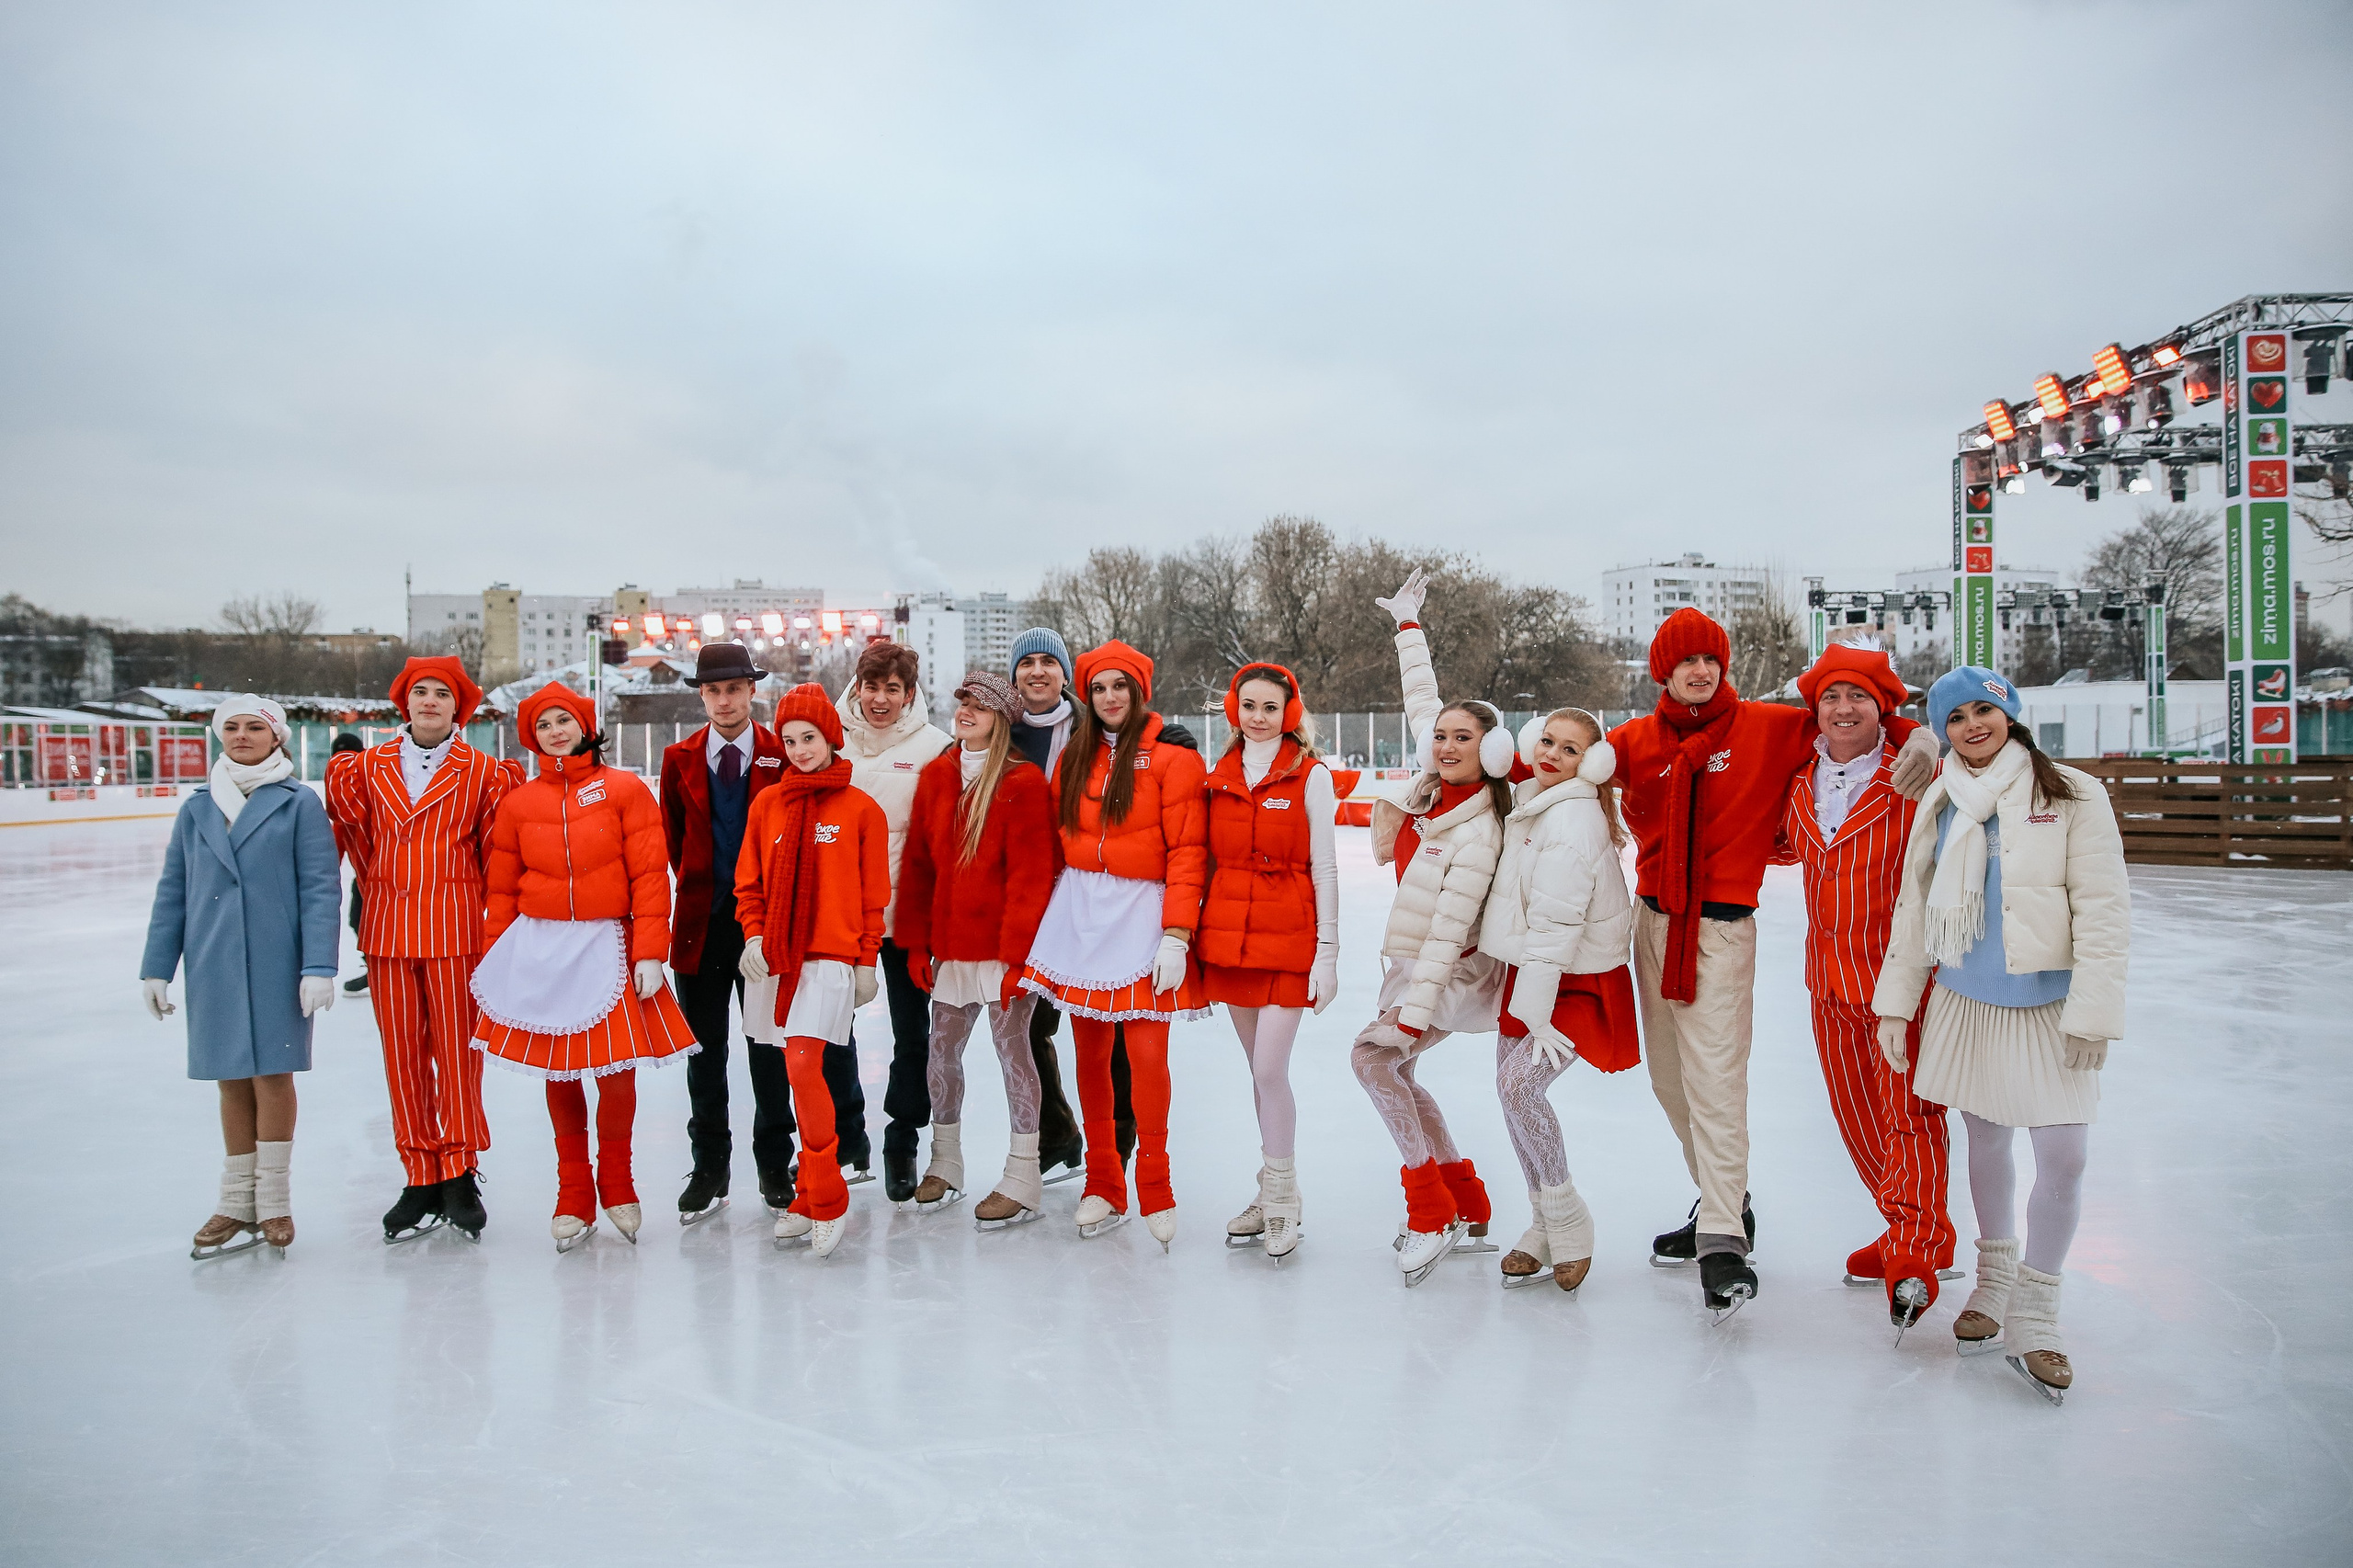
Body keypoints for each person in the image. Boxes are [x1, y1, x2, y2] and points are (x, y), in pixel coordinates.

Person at [1608, 608, 1938, 1316]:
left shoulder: (1768, 724)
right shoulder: (1636, 742)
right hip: (1653, 924)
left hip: (1722, 930)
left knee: (1717, 1084)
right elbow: (1554, 760)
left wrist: (1923, 735)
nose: (1700, 673)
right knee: (1671, 1083)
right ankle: (1730, 1201)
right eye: (1685, 663)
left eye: (1711, 662)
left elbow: (1860, 721)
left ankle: (1723, 1240)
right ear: (1662, 672)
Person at [1873, 667, 2129, 1402]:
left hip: (2050, 1003)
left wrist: (2093, 1013)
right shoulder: (1942, 798)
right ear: (1944, 729)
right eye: (1956, 717)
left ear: (2010, 715)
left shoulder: (2073, 794)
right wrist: (1897, 1004)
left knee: (2066, 1157)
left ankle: (2038, 1312)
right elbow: (1915, 907)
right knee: (1986, 1144)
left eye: (1985, 710)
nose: (1972, 725)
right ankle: (1992, 1285)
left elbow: (2105, 913)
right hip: (1966, 1000)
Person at [472, 684, 698, 1252]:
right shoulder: (519, 803)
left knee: (614, 1068)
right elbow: (501, 888)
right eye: (543, 725)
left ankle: (617, 1182)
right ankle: (572, 1189)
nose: (555, 732)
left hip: (608, 943)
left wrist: (650, 949)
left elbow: (650, 876)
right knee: (562, 1069)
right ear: (532, 737)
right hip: (542, 948)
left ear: (584, 725)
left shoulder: (623, 790)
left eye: (563, 721)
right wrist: (497, 958)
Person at [1775, 641, 1952, 1323]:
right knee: (1857, 1121)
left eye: (1858, 697)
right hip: (1827, 980)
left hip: (1901, 980)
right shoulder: (1798, 784)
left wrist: (1923, 738)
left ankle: (1916, 1246)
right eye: (1830, 697)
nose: (1843, 708)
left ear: (1882, 708)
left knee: (1910, 1117)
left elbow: (1989, 755)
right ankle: (1906, 1223)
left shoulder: (1917, 776)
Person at [1017, 640, 1209, 1249]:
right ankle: (1103, 1179)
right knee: (1090, 1054)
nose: (1109, 698)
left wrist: (1177, 934)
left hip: (1142, 915)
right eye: (1098, 689)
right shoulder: (1076, 756)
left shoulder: (1173, 760)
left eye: (1119, 686)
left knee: (1147, 1058)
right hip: (1081, 915)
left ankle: (1155, 1182)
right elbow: (1053, 840)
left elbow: (1188, 851)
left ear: (1139, 690)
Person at [1352, 570, 1513, 1287]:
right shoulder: (1432, 785)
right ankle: (1469, 1202)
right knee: (1398, 1068)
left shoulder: (1479, 830)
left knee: (1372, 1059)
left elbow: (1452, 935)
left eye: (1462, 738)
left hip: (1450, 970)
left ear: (1493, 751)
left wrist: (1414, 1007)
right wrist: (1407, 625)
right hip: (1415, 959)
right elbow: (1424, 697)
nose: (1446, 745)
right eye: (1442, 736)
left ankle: (1430, 1211)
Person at [324, 655, 517, 1244]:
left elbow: (494, 859)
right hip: (387, 934)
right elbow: (357, 844)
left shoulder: (484, 773)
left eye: (441, 693)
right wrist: (388, 889)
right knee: (402, 1058)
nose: (430, 701)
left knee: (459, 1056)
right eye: (420, 692)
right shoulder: (364, 768)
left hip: (456, 933)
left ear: (459, 706)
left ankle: (458, 1169)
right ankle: (420, 1173)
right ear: (404, 701)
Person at [142, 696, 340, 1258]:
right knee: (230, 1077)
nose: (243, 735)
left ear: (277, 737)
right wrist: (158, 967)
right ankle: (235, 1202)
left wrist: (319, 965)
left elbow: (321, 888)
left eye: (256, 727)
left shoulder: (299, 804)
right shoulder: (197, 807)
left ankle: (272, 1199)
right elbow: (173, 891)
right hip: (213, 960)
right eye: (232, 727)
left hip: (277, 959)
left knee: (273, 1075)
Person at [1483, 708, 1641, 1292]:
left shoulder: (1573, 819)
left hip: (1569, 980)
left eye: (1570, 750)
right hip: (1532, 973)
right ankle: (1542, 1225)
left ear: (1592, 765)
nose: (1552, 754)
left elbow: (1554, 923)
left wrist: (1536, 1011)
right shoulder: (1531, 799)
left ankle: (1569, 1220)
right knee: (1510, 1094)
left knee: (1518, 1086)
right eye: (1547, 741)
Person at [894, 671, 1060, 1224]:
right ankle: (946, 1162)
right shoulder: (938, 775)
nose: (965, 711)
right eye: (962, 701)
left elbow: (1032, 876)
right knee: (941, 1051)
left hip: (1002, 950)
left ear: (1002, 718)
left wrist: (1018, 958)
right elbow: (919, 866)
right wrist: (917, 943)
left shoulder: (1023, 781)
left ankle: (1022, 1173)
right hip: (952, 948)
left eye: (980, 706)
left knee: (1013, 1053)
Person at [735, 683, 892, 1259]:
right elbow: (748, 884)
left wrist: (867, 959)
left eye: (811, 738)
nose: (800, 749)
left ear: (832, 738)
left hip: (829, 960)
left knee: (804, 1065)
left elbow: (875, 895)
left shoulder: (860, 810)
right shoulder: (767, 805)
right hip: (774, 960)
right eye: (791, 739)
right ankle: (803, 1195)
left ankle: (826, 1194)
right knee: (790, 1071)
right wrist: (753, 935)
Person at [1198, 663, 1338, 1262]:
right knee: (1257, 1071)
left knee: (1268, 1072)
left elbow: (1326, 868)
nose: (1259, 717)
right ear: (1234, 708)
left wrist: (1327, 954)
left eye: (1271, 708)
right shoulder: (1217, 776)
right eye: (1249, 705)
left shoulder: (1311, 777)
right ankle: (1270, 1185)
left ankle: (1282, 1199)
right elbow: (1202, 862)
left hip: (1289, 941)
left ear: (1291, 713)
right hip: (1230, 941)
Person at [661, 642, 803, 1223]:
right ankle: (710, 1166)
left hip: (767, 927)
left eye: (735, 689)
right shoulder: (677, 758)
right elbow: (675, 842)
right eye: (714, 690)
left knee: (768, 1051)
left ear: (752, 691)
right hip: (701, 927)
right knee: (704, 1055)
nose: (725, 700)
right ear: (702, 695)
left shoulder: (781, 754)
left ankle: (774, 1163)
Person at [835, 642, 954, 1200]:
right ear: (857, 686)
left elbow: (941, 840)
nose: (879, 699)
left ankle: (902, 1138)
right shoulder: (830, 742)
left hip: (906, 917)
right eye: (871, 686)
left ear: (910, 694)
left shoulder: (935, 748)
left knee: (913, 1035)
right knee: (833, 1030)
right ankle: (846, 1135)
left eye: (892, 689)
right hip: (841, 916)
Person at [330, 732, 369, 995]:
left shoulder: (374, 779)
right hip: (364, 877)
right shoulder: (339, 787)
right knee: (358, 920)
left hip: (386, 872)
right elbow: (341, 832)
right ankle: (374, 966)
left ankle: (382, 968)